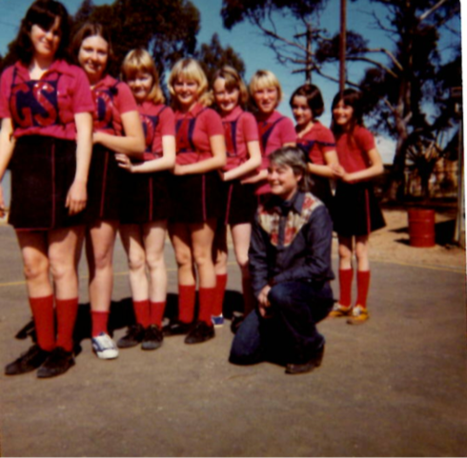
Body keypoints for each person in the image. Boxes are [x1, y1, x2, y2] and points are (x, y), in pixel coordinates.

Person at [0, 0, 94, 377]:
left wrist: (80, 181)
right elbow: (7, 134)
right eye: (44, 28)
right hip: (26, 171)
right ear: (28, 29)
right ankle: (42, 344)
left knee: (60, 265)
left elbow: (85, 133)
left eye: (57, 31)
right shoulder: (9, 75)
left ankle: (64, 348)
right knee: (32, 265)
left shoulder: (74, 75)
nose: (50, 36)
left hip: (63, 166)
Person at [72, 23, 145, 358]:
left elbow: (137, 143)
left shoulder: (119, 89)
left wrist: (98, 137)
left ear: (109, 55)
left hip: (104, 176)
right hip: (66, 171)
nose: (95, 57)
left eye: (101, 51)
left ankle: (100, 331)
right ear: (77, 51)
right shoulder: (64, 82)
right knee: (64, 261)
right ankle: (63, 333)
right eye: (88, 49)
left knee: (100, 258)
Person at [229, 146, 334, 374]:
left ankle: (312, 345)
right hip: (272, 294)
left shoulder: (316, 211)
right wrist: (259, 294)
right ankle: (286, 334)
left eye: (281, 171)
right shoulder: (263, 211)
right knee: (241, 353)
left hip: (310, 293)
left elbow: (319, 266)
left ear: (298, 175)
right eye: (271, 171)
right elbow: (256, 259)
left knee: (282, 294)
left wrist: (274, 283)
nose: (273, 177)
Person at [115, 48, 176, 350]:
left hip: (153, 186)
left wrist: (138, 167)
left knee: (153, 260)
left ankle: (155, 324)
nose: (138, 83)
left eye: (144, 76)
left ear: (154, 77)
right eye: (132, 78)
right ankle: (140, 323)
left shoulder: (164, 112)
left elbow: (169, 158)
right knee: (134, 260)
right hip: (125, 188)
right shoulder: (118, 108)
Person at [164, 58, 226, 344]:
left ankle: (205, 321)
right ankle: (185, 317)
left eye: (190, 82)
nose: (184, 88)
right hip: (173, 187)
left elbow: (220, 158)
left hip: (201, 185)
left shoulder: (209, 116)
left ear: (200, 84)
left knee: (203, 257)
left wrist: (185, 168)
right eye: (179, 82)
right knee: (182, 257)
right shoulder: (169, 114)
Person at [328, 88, 385, 324]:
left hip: (360, 194)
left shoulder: (362, 134)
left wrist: (353, 176)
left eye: (346, 106)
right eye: (337, 106)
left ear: (355, 110)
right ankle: (344, 302)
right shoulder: (332, 135)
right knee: (343, 252)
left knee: (360, 251)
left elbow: (379, 167)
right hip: (341, 195)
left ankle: (361, 305)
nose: (340, 111)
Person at [211, 66, 262, 326]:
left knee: (243, 256)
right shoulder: (212, 117)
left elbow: (256, 158)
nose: (225, 97)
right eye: (219, 92)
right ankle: (216, 316)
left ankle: (250, 312)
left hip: (239, 189)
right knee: (217, 254)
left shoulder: (246, 119)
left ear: (238, 91)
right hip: (215, 188)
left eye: (229, 91)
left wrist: (230, 176)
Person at [242, 69, 295, 197]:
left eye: (270, 91)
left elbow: (289, 162)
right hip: (246, 188)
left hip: (274, 191)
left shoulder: (285, 123)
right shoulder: (246, 120)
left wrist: (260, 176)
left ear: (277, 93)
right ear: (252, 95)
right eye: (259, 92)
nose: (265, 97)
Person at [290, 84, 340, 208]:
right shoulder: (290, 132)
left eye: (304, 108)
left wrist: (305, 166)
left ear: (314, 108)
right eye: (295, 107)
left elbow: (334, 171)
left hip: (316, 191)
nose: (298, 112)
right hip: (294, 190)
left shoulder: (322, 132)